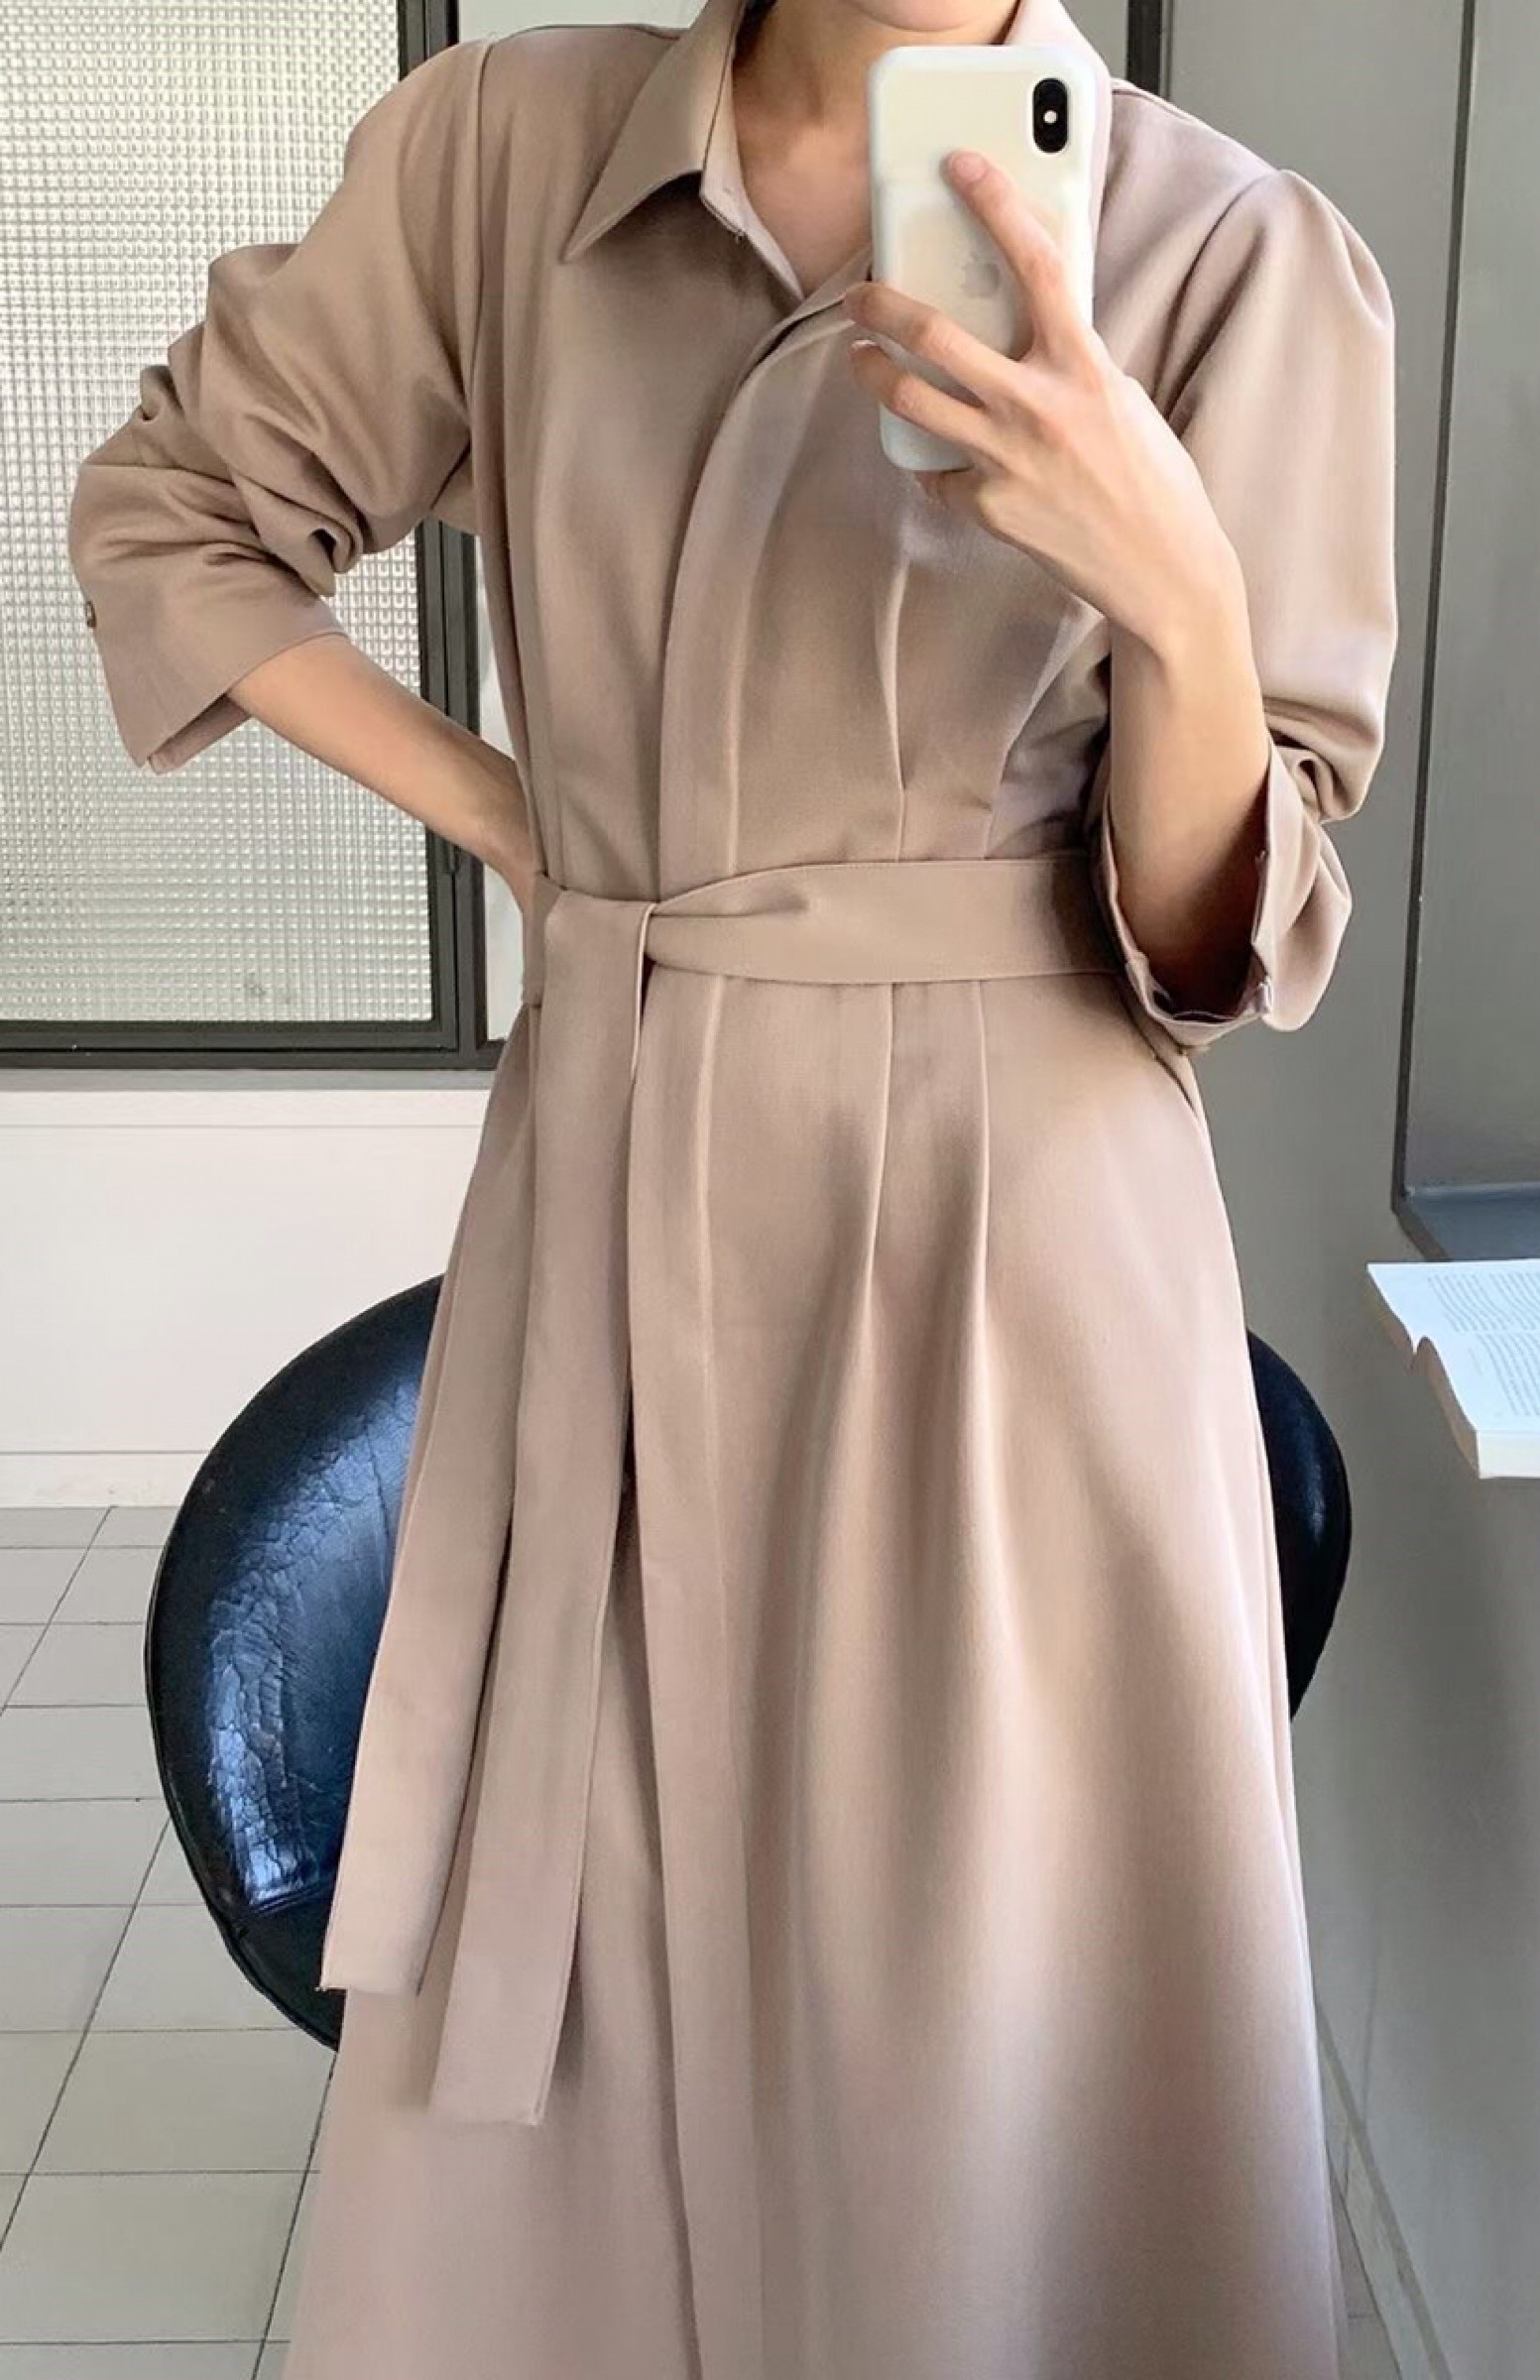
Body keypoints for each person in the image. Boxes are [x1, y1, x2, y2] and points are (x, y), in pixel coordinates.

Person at [65, 0, 1398, 2369]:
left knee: (983, 2015)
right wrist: (527, 827)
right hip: (621, 1176)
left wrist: (1182, 600)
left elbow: (1214, 940)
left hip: (1025, 1251)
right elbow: (175, 513)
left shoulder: (1236, 254)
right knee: (590, 2000)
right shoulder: (510, 155)